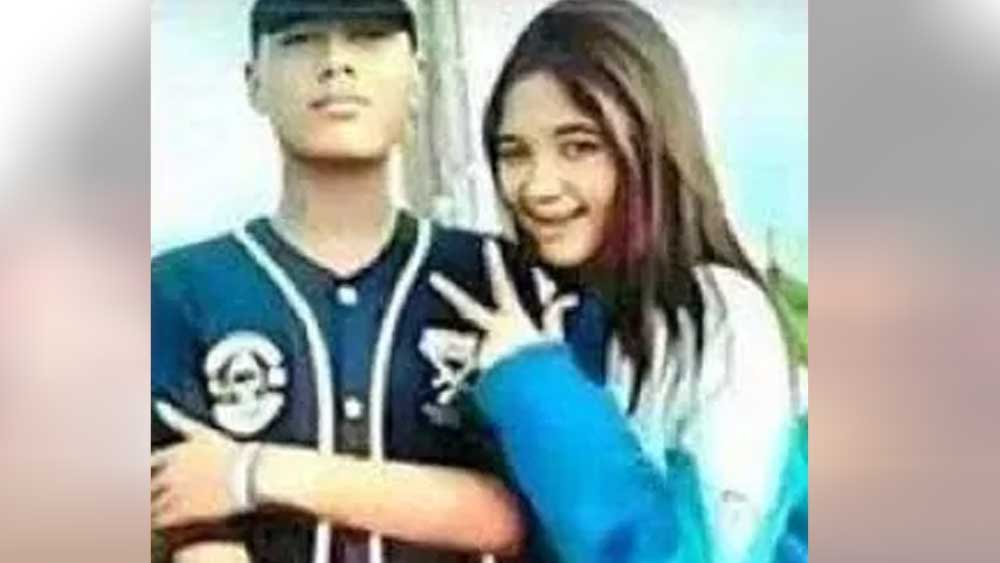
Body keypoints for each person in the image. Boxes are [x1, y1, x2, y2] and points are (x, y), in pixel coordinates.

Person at [151, 1, 544, 562]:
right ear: (254, 81)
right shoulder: (176, 289)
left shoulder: (494, 277)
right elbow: (189, 518)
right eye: (300, 39)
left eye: (368, 36)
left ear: (418, 77)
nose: (336, 62)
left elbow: (525, 515)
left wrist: (253, 471)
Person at [429, 1, 806, 561]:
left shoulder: (720, 315)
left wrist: (534, 385)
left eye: (579, 147)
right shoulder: (565, 318)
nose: (538, 186)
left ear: (653, 146)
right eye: (514, 153)